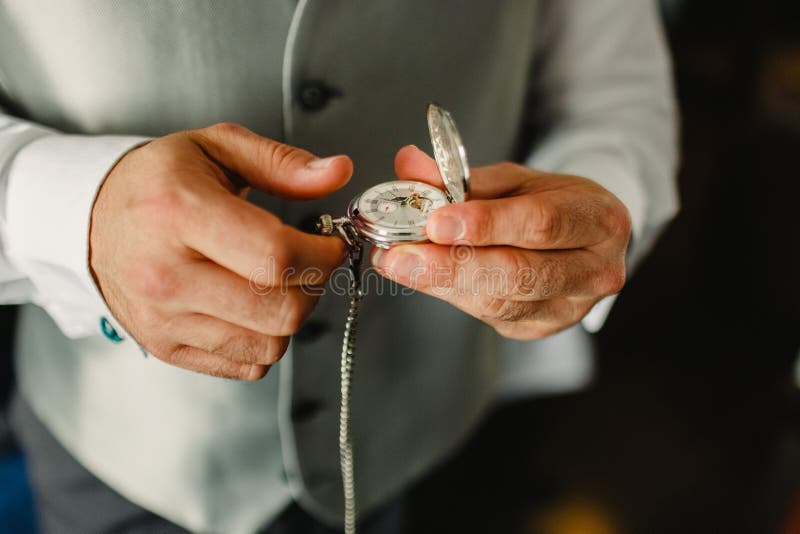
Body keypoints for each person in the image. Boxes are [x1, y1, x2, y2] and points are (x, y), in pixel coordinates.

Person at [0, 1, 678, 532]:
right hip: (129, 456)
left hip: (445, 433)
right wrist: (73, 215)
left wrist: (593, 209)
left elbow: (615, 94)